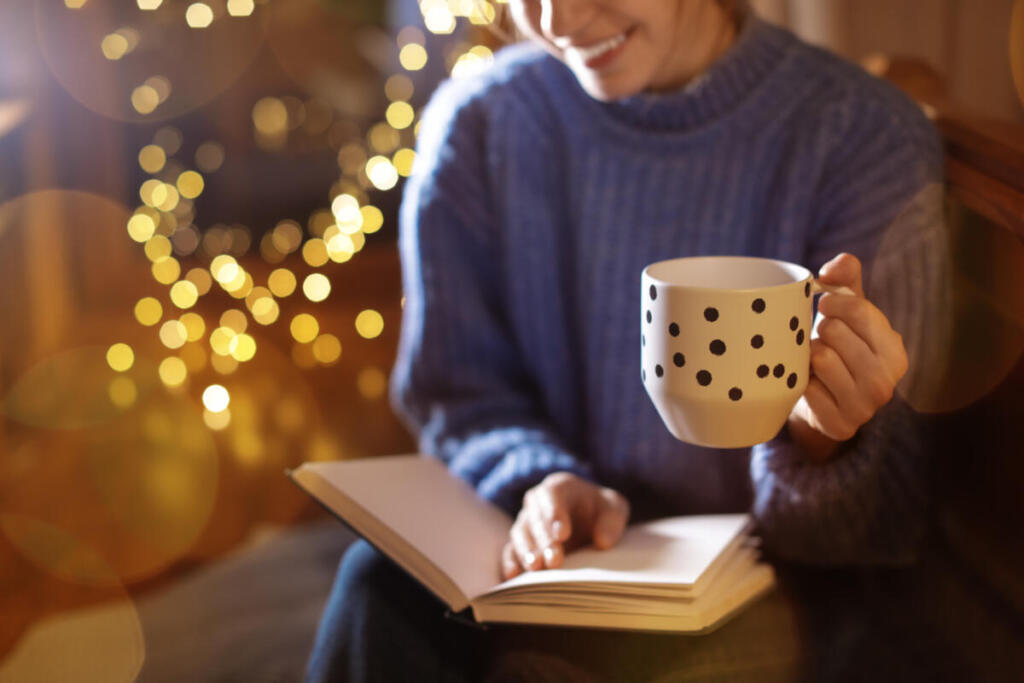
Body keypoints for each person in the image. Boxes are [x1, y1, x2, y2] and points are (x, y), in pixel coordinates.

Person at [306, 0, 948, 680]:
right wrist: (537, 479)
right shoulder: (482, 123)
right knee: (374, 583)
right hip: (540, 543)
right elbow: (460, 396)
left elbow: (876, 532)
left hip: (766, 579)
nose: (557, 20)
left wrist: (822, 444)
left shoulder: (862, 136)